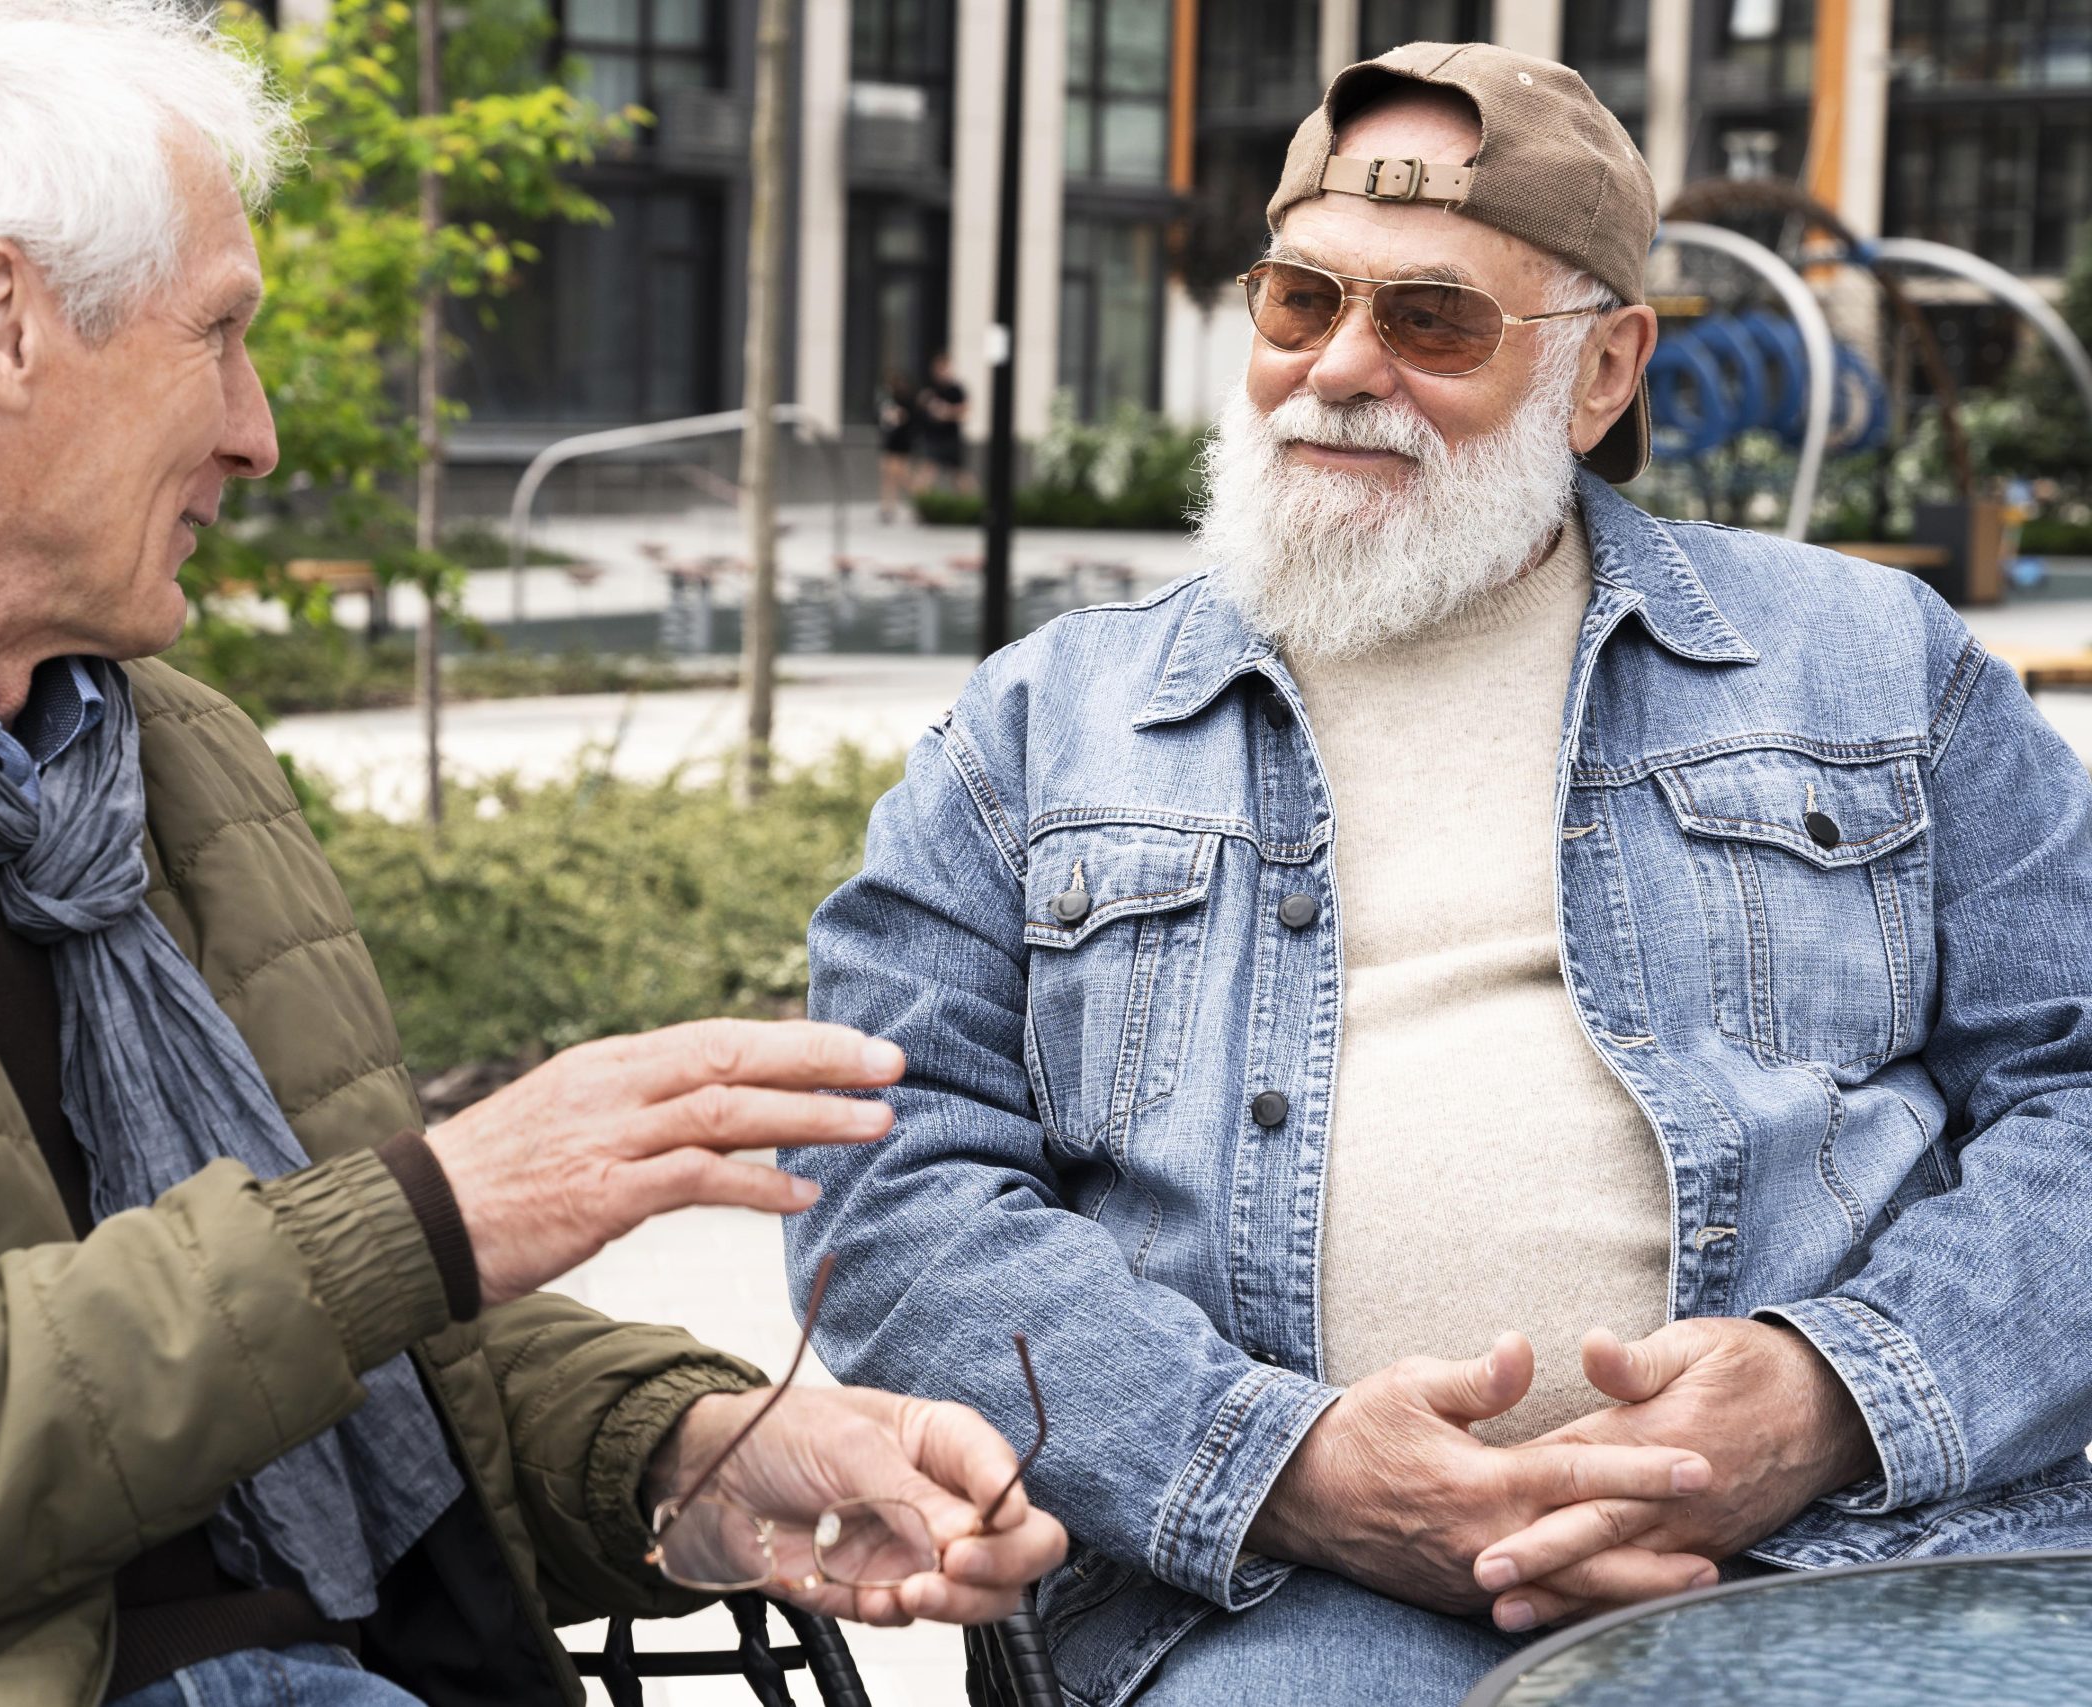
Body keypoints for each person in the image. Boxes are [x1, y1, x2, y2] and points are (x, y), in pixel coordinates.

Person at [0, 6, 1064, 1707]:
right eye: (219, 334)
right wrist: (433, 1208)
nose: (256, 432)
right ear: (0, 322)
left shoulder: (172, 758)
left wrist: (688, 1454)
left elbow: (357, 1357)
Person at [786, 40, 2092, 1707]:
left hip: (1863, 1544)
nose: (1341, 366)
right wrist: (1280, 1462)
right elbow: (883, 1182)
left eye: (1433, 320)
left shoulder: (1877, 663)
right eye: (1300, 301)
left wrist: (1836, 1394)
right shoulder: (1039, 727)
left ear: (1604, 370)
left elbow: (2078, 1085)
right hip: (1269, 1594)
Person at [914, 350, 972, 495]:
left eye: (943, 368)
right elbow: (920, 404)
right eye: (937, 368)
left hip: (951, 437)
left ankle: (973, 502)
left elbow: (964, 410)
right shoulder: (930, 388)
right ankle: (921, 502)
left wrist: (947, 411)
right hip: (933, 437)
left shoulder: (955, 389)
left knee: (959, 475)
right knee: (927, 471)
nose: (940, 372)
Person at [877, 367, 920, 521]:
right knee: (888, 476)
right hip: (890, 442)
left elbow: (908, 420)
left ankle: (920, 502)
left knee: (902, 477)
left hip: (902, 443)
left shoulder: (908, 401)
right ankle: (888, 507)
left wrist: (898, 416)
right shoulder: (889, 400)